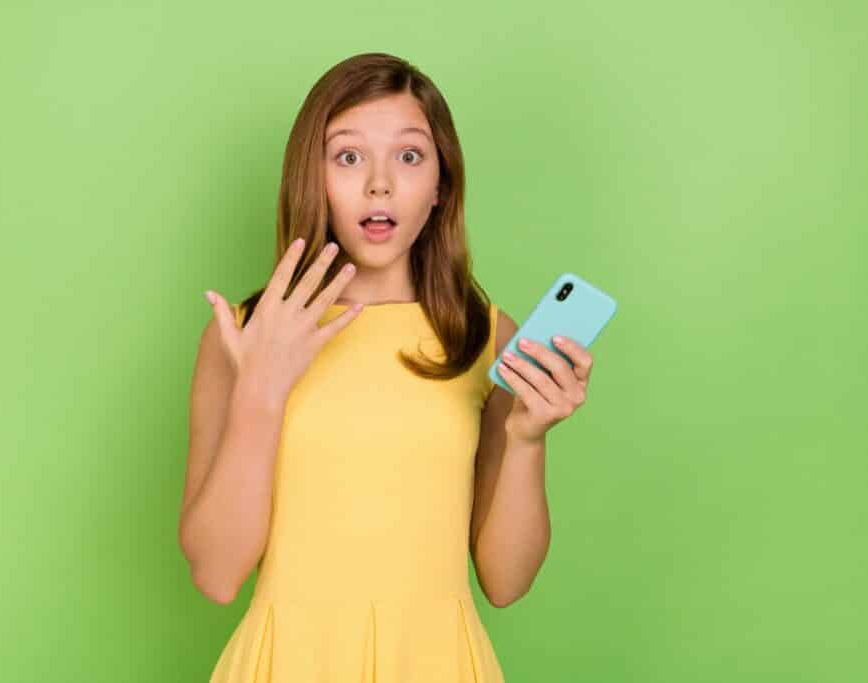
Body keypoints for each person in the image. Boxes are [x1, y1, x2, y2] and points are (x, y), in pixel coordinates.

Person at [179, 52, 595, 682]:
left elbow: (506, 582)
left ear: (440, 186)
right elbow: (216, 573)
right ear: (311, 179)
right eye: (348, 157)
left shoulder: (483, 339)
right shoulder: (243, 336)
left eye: (408, 156)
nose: (379, 184)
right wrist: (261, 391)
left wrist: (527, 439)